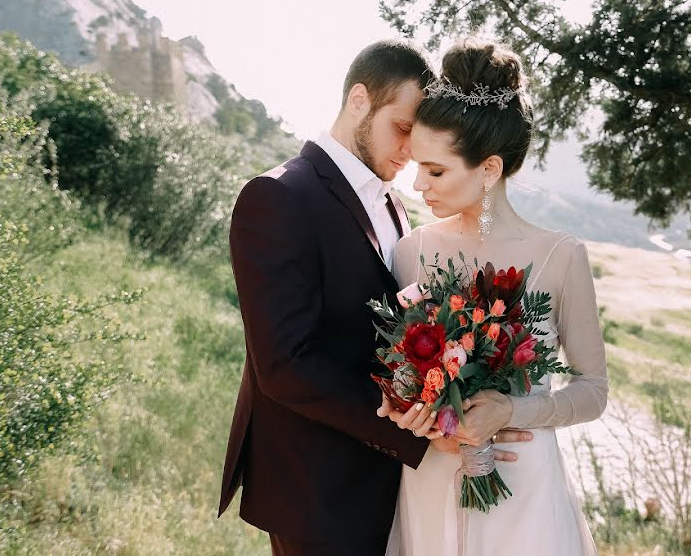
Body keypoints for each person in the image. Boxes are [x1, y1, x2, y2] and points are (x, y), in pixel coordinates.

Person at [218, 39, 525, 556]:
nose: (409, 152)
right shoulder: (278, 196)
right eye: (402, 128)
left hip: (383, 491)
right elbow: (284, 365)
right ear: (359, 99)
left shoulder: (396, 208)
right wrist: (417, 434)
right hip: (316, 492)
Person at [381, 38, 609, 555]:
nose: (419, 184)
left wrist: (510, 410)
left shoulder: (561, 257)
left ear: (488, 169)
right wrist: (412, 416)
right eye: (418, 166)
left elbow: (593, 390)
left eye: (435, 171)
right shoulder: (411, 252)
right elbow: (396, 380)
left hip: (522, 486)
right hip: (432, 479)